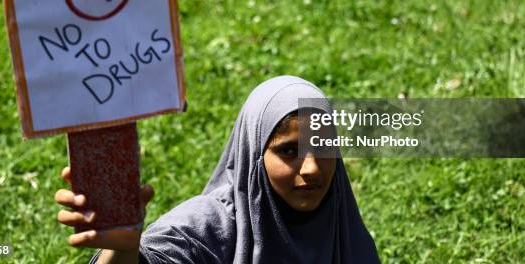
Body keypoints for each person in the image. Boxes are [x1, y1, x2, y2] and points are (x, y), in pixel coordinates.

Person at [56, 76, 380, 263]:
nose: (310, 168)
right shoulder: (207, 231)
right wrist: (122, 249)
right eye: (288, 151)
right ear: (254, 156)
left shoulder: (342, 226)